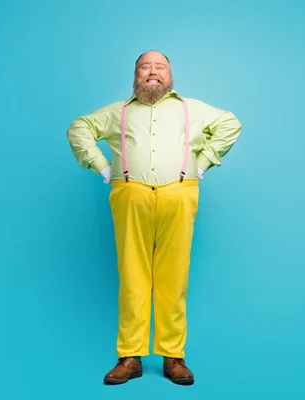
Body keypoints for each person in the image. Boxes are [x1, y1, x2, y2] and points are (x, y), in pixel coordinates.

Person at [66, 50, 242, 385]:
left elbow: (230, 124)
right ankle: (129, 357)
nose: (153, 71)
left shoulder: (191, 108)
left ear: (170, 75)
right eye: (145, 66)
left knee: (173, 276)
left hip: (180, 192)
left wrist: (202, 163)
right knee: (133, 275)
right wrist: (102, 167)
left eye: (160, 66)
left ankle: (173, 356)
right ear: (135, 75)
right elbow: (79, 128)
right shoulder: (118, 111)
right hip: (130, 194)